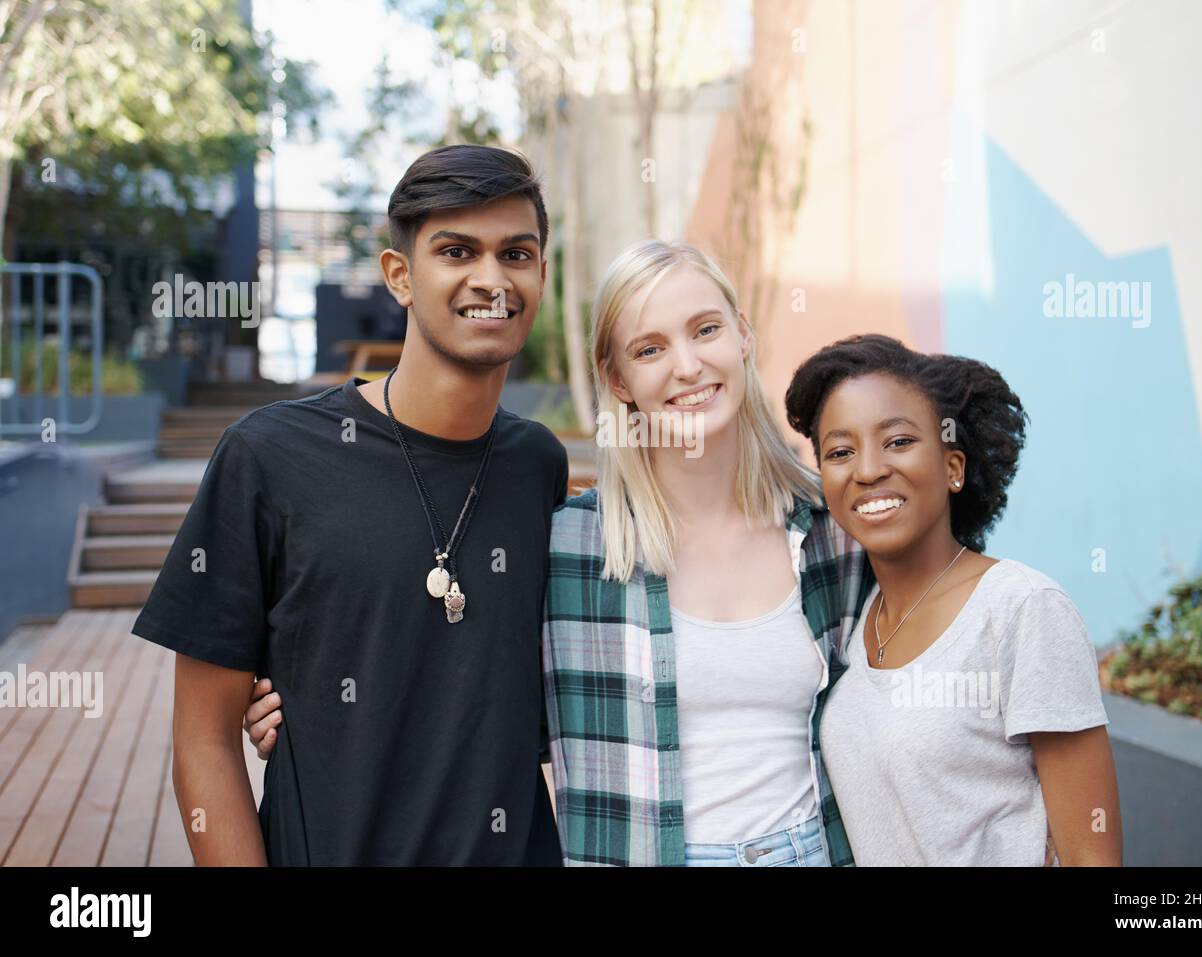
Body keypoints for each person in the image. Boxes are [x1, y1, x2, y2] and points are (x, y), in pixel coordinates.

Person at [248, 240, 872, 867]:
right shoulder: (570, 546)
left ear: (741, 334)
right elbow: (461, 671)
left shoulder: (832, 532)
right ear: (617, 380)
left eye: (705, 330)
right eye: (649, 348)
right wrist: (311, 698)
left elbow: (904, 690)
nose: (687, 366)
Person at [133, 144, 568, 865]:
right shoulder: (268, 456)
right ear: (400, 275)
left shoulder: (538, 465)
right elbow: (202, 739)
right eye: (457, 251)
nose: (491, 279)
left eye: (516, 253)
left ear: (542, 275)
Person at [784, 333, 1123, 865]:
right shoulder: (855, 621)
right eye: (841, 451)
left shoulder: (1021, 609)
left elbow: (1090, 854)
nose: (868, 470)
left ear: (953, 468)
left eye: (898, 441)